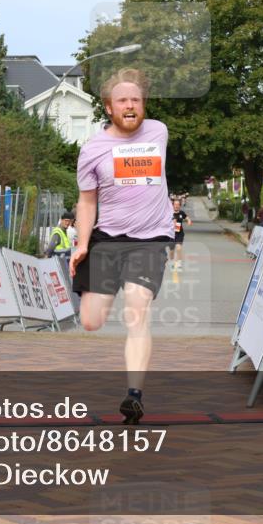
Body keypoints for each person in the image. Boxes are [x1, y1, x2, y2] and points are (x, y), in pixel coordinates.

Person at [70, 68, 173, 425]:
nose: (131, 106)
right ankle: (108, 290)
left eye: (136, 100)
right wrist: (82, 244)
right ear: (109, 108)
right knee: (91, 320)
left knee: (137, 308)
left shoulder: (158, 132)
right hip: (107, 240)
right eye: (123, 100)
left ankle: (134, 395)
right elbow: (86, 202)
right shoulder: (93, 150)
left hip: (150, 239)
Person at [169, 198, 192, 272]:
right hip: (171, 234)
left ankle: (178, 264)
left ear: (180, 206)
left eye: (178, 205)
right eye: (175, 204)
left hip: (179, 234)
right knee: (172, 251)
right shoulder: (169, 213)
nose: (176, 206)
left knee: (179, 248)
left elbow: (187, 217)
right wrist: (172, 223)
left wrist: (189, 221)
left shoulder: (181, 213)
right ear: (173, 205)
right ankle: (172, 262)